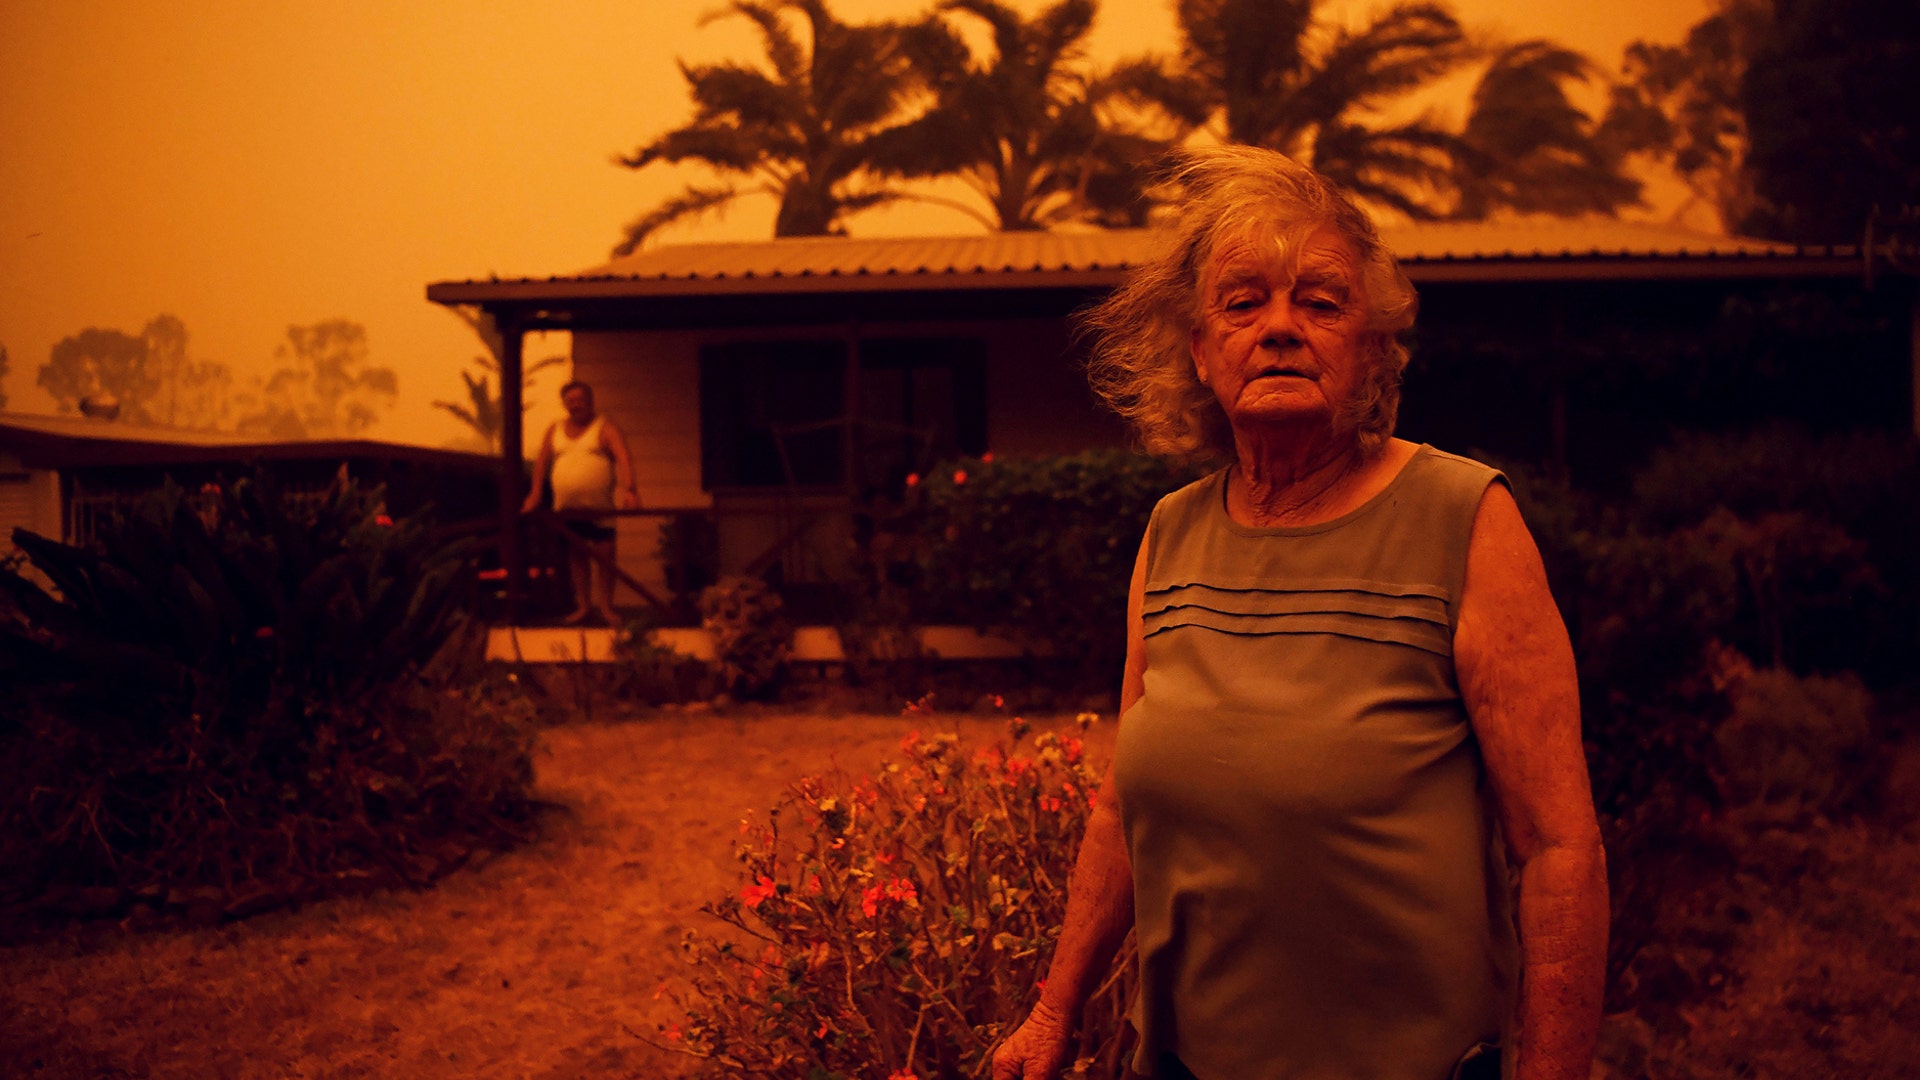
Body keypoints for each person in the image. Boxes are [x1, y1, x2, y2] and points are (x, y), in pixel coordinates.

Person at [993, 146, 1608, 1080]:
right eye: (1243, 303)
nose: (1279, 327)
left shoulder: (1462, 518)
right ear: (1200, 351)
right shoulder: (1171, 534)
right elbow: (1121, 805)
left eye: (1320, 303)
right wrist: (1053, 1011)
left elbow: (1560, 848)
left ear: (1371, 349)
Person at [521, 379, 638, 625]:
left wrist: (630, 490)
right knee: (577, 557)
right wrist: (534, 494)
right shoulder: (555, 430)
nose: (576, 405)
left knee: (605, 557)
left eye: (580, 400)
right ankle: (583, 606)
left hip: (599, 509)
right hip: (567, 509)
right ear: (565, 404)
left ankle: (606, 608)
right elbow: (541, 463)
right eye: (571, 401)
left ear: (590, 401)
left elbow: (623, 457)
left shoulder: (604, 427)